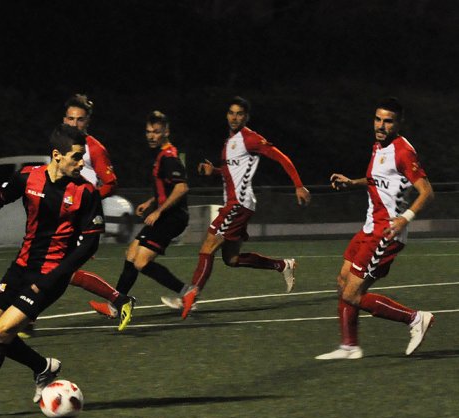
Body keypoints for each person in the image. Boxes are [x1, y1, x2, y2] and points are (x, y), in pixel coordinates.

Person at [0, 124, 104, 418]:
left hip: (49, 277)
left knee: (1, 333)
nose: (81, 164)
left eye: (82, 157)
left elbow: (89, 245)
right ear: (57, 156)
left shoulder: (86, 192)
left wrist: (53, 278)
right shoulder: (28, 176)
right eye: (76, 157)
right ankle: (42, 366)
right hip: (21, 267)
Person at [316, 97, 434, 359]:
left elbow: (427, 191)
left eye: (388, 121)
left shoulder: (403, 151)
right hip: (369, 227)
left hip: (386, 232)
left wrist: (405, 218)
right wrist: (352, 182)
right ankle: (349, 346)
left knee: (352, 294)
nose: (381, 125)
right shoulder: (378, 147)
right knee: (342, 282)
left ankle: (415, 319)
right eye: (378, 119)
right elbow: (376, 180)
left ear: (399, 123)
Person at [176, 96, 311, 318]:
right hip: (237, 204)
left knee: (208, 245)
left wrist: (299, 185)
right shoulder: (230, 142)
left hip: (237, 204)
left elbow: (282, 158)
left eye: (239, 114)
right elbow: (232, 173)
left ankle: (191, 295)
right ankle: (282, 265)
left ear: (246, 117)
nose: (234, 117)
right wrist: (215, 172)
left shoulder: (250, 138)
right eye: (231, 113)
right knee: (232, 259)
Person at [21, 94, 134, 336]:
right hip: (60, 217)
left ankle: (27, 319)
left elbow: (110, 182)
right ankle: (28, 319)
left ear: (88, 122)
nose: (74, 124)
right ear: (64, 119)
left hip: (78, 220)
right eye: (70, 118)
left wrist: (86, 204)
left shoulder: (94, 148)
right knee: (54, 269)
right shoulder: (61, 143)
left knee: (59, 269)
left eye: (80, 119)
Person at [89, 110, 191, 324]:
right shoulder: (162, 155)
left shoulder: (170, 158)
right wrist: (151, 202)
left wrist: (158, 211)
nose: (151, 136)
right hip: (166, 214)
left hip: (172, 217)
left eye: (156, 132)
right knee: (131, 253)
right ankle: (115, 304)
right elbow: (167, 189)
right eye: (148, 132)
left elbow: (181, 188)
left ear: (166, 131)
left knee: (141, 262)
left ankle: (186, 292)